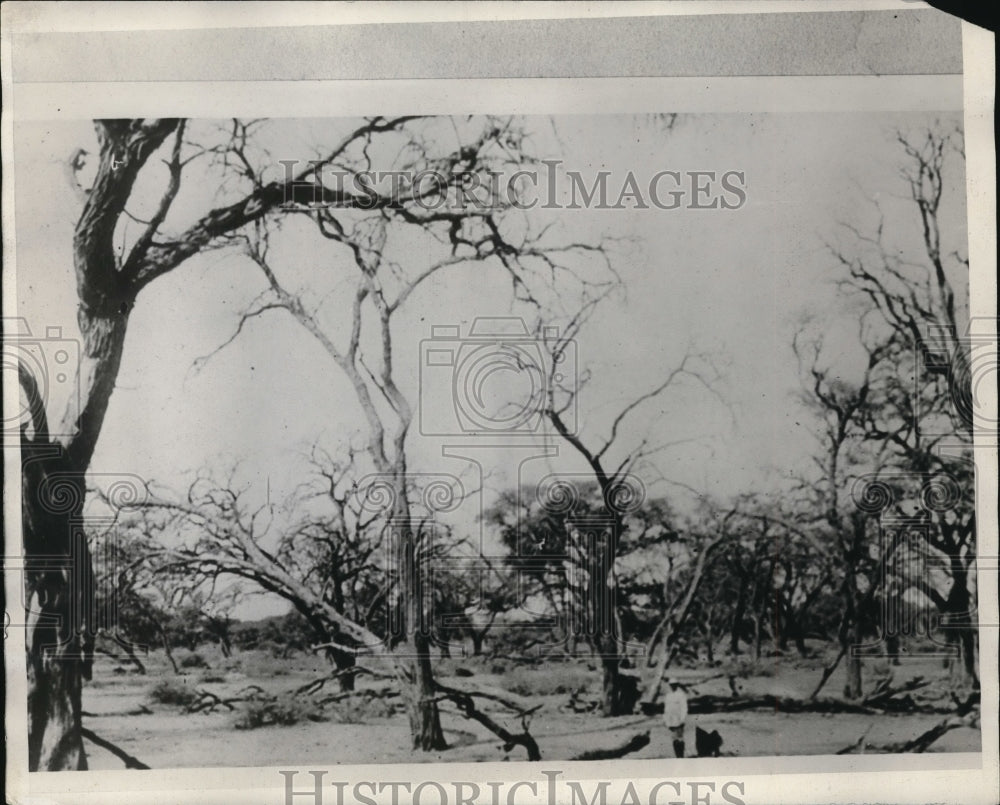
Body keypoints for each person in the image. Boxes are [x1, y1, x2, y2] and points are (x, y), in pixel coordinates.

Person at [662, 678, 688, 758]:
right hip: (671, 720)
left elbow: (684, 707)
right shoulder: (668, 695)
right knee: (674, 738)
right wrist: (665, 720)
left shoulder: (681, 695)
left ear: (677, 685)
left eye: (674, 685)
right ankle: (677, 755)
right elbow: (666, 708)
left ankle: (681, 755)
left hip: (679, 719)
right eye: (671, 685)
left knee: (680, 738)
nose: (673, 686)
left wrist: (682, 719)